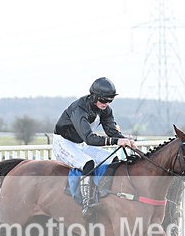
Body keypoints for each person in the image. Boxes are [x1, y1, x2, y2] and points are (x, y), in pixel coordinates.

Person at [53, 77, 136, 217]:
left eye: (110, 100)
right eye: (104, 100)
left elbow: (112, 132)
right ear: (95, 96)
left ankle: (105, 194)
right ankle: (87, 203)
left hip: (81, 144)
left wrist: (125, 139)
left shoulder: (106, 110)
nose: (107, 103)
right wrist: (116, 141)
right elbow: (90, 138)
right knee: (89, 164)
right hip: (64, 143)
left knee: (114, 160)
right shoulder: (79, 109)